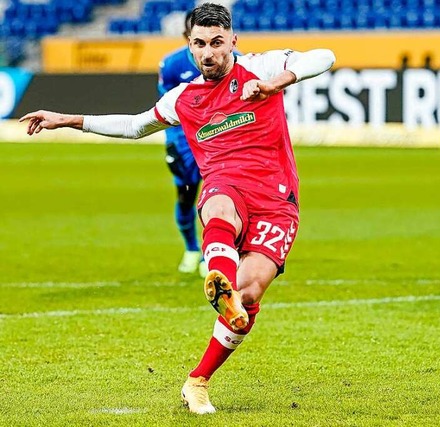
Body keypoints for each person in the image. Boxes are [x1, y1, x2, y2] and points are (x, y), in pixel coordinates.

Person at [20, 2, 335, 414]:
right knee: (219, 203)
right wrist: (68, 119)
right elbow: (135, 126)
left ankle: (198, 380)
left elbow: (325, 57)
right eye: (200, 44)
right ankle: (218, 278)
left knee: (250, 292)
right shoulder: (182, 98)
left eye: (217, 43)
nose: (209, 52)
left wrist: (281, 81)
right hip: (227, 185)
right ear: (190, 46)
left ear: (232, 42)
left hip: (278, 201)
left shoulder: (260, 68)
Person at [158, 10, 205, 276]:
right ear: (187, 37)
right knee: (186, 197)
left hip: (220, 144)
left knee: (221, 199)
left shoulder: (235, 61)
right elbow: (166, 109)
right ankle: (191, 248)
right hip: (184, 143)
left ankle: (214, 254)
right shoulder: (173, 65)